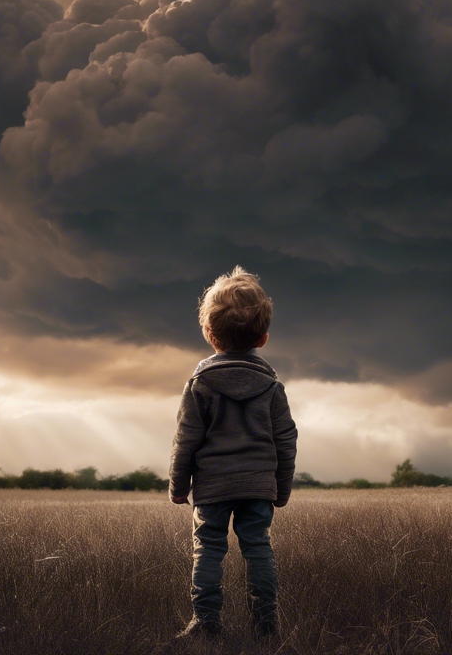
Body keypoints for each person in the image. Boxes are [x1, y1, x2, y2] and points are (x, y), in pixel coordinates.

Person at [169, 266, 298, 641]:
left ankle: (205, 623)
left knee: (208, 551)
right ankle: (266, 624)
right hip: (259, 485)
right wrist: (281, 488)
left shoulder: (199, 384)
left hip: (212, 487)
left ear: (209, 334)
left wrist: (178, 485)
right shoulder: (273, 387)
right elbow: (286, 439)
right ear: (263, 337)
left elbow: (186, 439)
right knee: (258, 548)